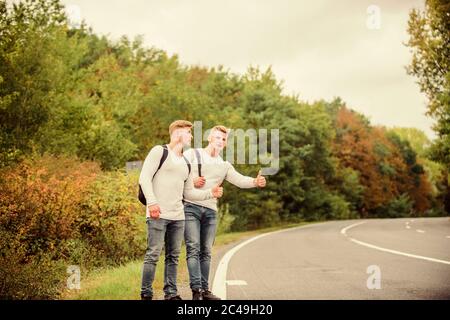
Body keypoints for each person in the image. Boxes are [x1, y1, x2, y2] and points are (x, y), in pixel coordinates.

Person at [139, 120, 223, 300]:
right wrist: (152, 203)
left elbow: (190, 192)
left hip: (178, 216)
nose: (191, 136)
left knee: (173, 257)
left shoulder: (186, 162)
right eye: (188, 133)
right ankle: (146, 294)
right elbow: (144, 178)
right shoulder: (159, 152)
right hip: (158, 213)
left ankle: (170, 293)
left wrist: (210, 193)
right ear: (178, 134)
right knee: (153, 254)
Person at [183, 125, 266, 300]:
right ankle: (196, 291)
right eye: (217, 137)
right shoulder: (192, 154)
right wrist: (192, 180)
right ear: (209, 139)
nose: (220, 141)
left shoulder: (224, 165)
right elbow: (178, 174)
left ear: (225, 143)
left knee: (205, 251)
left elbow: (239, 180)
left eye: (223, 139)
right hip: (191, 206)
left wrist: (255, 182)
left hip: (211, 211)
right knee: (193, 249)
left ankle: (205, 291)